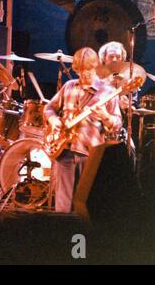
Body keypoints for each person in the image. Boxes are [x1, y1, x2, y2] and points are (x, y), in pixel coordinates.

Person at [44, 47, 122, 213]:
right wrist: (54, 120)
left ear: (95, 67)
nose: (83, 75)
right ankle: (62, 235)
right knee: (62, 204)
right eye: (79, 71)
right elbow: (49, 108)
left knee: (85, 204)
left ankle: (85, 237)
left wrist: (105, 116)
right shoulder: (68, 86)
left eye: (87, 70)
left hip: (90, 152)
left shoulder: (107, 92)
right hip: (65, 150)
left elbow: (117, 124)